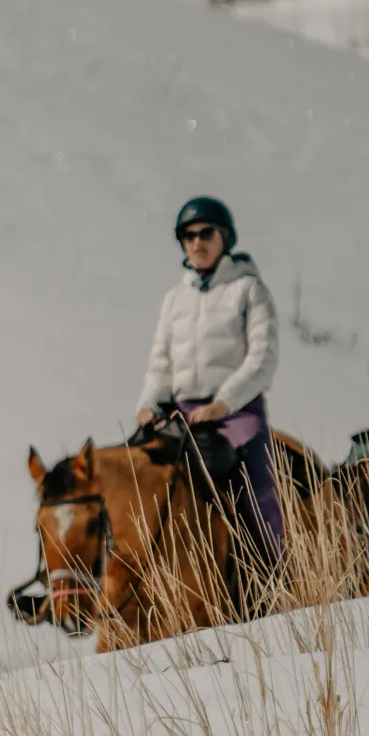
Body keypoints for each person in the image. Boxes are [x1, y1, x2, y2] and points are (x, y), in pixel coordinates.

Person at [133, 196, 286, 565]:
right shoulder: (174, 299)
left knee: (256, 487)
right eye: (188, 236)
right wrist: (148, 404)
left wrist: (224, 401)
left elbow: (262, 359)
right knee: (136, 471)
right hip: (182, 412)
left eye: (206, 233)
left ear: (225, 238)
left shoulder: (250, 290)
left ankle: (274, 570)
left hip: (236, 411)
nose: (197, 243)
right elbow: (161, 362)